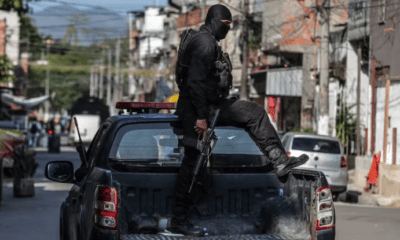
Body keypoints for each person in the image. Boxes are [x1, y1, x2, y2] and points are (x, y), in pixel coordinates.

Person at [167, 4, 309, 237]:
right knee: (193, 165)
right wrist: (201, 116)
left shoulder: (206, 40)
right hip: (198, 109)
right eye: (226, 24)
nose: (229, 29)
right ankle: (179, 220)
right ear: (214, 21)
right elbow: (194, 83)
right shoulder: (204, 43)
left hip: (206, 105)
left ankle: (279, 160)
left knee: (253, 112)